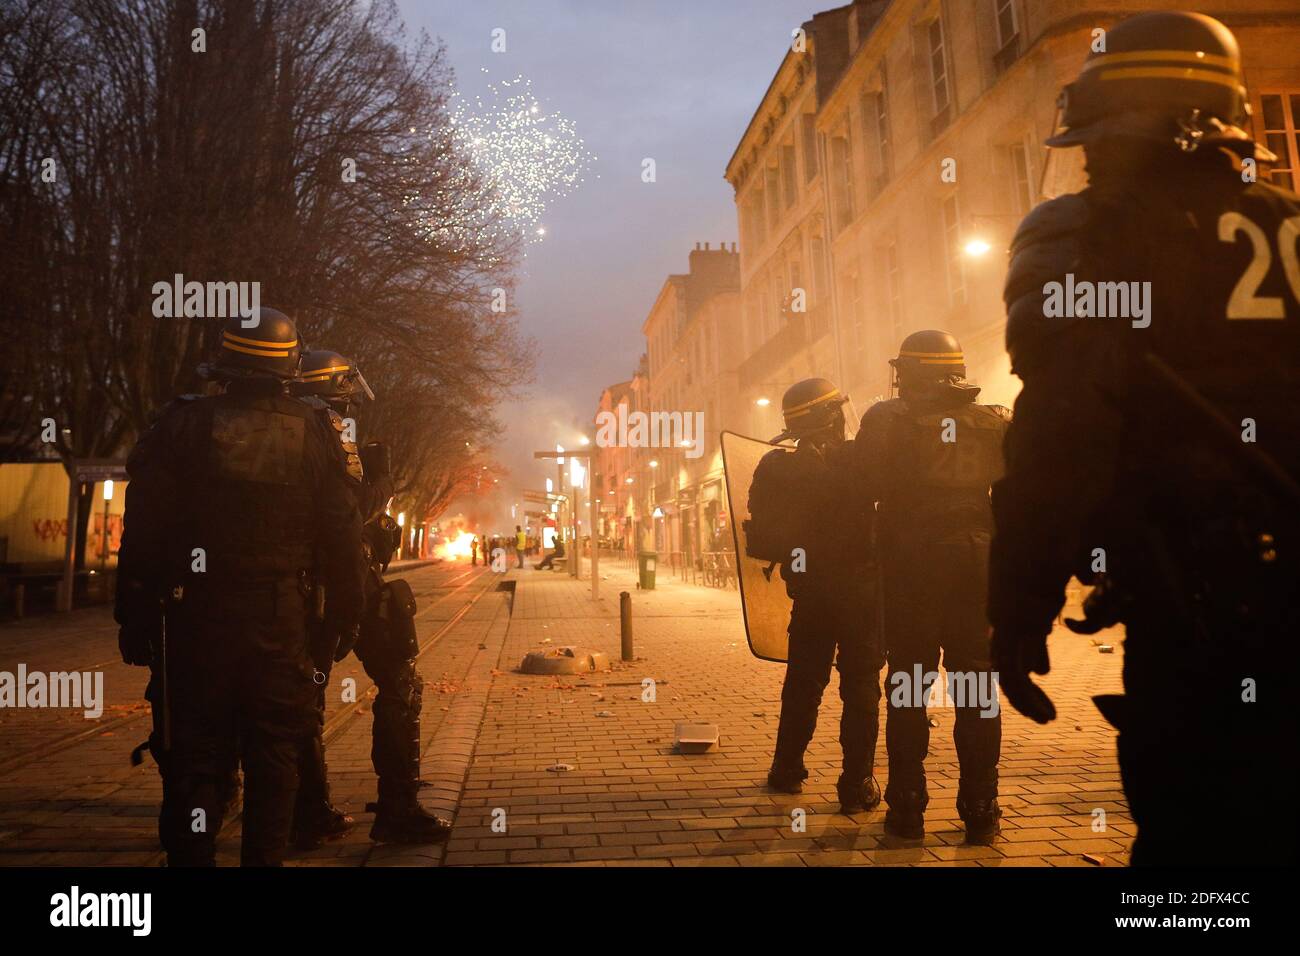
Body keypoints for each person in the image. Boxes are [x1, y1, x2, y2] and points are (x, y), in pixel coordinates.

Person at [990, 10, 1299, 866]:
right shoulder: (1291, 223)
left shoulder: (1084, 236)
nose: (1087, 159)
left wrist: (1018, 609)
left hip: (1193, 608)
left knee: (1190, 865)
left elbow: (1059, 440)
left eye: (1096, 139)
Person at [115, 308, 365, 866]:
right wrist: (345, 614)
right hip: (280, 619)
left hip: (194, 622)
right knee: (275, 752)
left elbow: (144, 532)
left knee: (195, 757)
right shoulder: (320, 432)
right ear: (290, 367)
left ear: (223, 363)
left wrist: (132, 615)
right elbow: (343, 533)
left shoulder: (180, 424)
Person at [851, 332, 1010, 843]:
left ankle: (907, 809)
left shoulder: (885, 421)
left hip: (910, 572)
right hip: (976, 568)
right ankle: (981, 808)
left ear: (912, 374)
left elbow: (861, 489)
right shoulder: (993, 422)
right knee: (978, 689)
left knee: (908, 688)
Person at [291, 348, 453, 844]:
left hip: (281, 586)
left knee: (303, 695)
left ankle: (307, 812)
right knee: (399, 677)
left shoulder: (269, 430)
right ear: (338, 391)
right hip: (341, 577)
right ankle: (397, 808)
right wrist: (378, 486)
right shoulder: (332, 433)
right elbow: (342, 514)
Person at [748, 378, 882, 815]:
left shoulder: (777, 467)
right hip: (862, 594)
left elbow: (764, 538)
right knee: (861, 686)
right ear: (831, 417)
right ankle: (856, 782)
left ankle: (786, 770)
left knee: (804, 682)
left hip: (810, 593)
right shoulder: (861, 462)